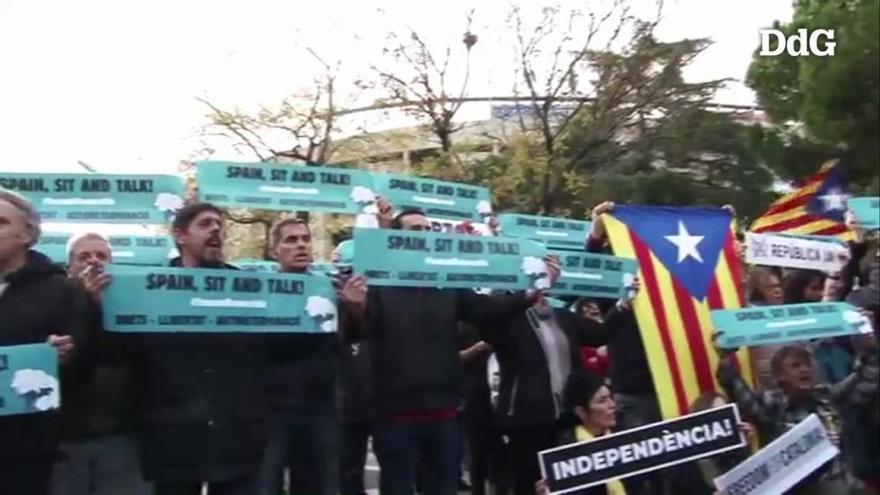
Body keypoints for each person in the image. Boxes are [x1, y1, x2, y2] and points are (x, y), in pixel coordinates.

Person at [350, 206, 559, 495]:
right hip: (394, 417)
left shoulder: (446, 285)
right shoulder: (377, 287)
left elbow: (487, 311)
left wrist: (530, 291)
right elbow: (355, 333)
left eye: (427, 230)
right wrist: (354, 309)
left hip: (444, 414)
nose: (423, 236)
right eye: (414, 231)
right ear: (394, 241)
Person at [111, 203, 271, 495]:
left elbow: (274, 350)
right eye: (205, 224)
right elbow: (123, 352)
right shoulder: (149, 290)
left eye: (218, 225)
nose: (216, 230)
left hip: (237, 437)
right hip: (173, 440)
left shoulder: (247, 288)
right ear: (180, 236)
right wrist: (98, 305)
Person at [258, 218, 367, 495]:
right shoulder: (260, 292)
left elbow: (353, 337)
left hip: (321, 409)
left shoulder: (329, 290)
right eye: (291, 240)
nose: (301, 245)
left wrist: (355, 309)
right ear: (274, 251)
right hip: (272, 411)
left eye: (305, 239)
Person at [492, 290, 623, 495]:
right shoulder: (510, 319)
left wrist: (621, 306)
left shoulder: (562, 316)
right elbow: (490, 321)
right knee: (531, 483)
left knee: (569, 482)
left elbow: (599, 334)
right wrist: (522, 298)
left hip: (566, 416)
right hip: (527, 418)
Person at [50, 233, 151, 495]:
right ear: (69, 266)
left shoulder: (136, 309)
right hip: (64, 441)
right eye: (84, 257)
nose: (94, 262)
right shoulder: (51, 306)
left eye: (101, 256)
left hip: (122, 438)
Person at [0, 190, 85, 495]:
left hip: (23, 453)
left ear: (27, 234)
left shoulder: (59, 290)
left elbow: (86, 365)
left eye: (1, 222)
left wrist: (65, 357)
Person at [716, 339, 880, 494]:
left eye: (808, 364)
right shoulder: (770, 406)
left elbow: (865, 382)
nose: (805, 369)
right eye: (796, 366)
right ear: (779, 377)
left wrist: (871, 348)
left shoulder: (827, 396)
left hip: (844, 485)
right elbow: (737, 389)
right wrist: (725, 359)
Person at [580, 201, 664, 495]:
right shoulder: (618, 280)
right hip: (633, 391)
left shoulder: (670, 277)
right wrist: (596, 235)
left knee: (674, 473)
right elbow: (592, 276)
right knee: (638, 476)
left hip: (672, 386)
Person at [536, 372, 624, 495]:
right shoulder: (566, 451)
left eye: (611, 398)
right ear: (581, 412)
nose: (612, 405)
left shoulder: (624, 435)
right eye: (602, 401)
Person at [746, 266, 786, 389]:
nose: (777, 290)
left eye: (778, 286)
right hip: (767, 373)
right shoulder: (748, 313)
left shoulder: (787, 312)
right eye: (770, 287)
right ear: (758, 291)